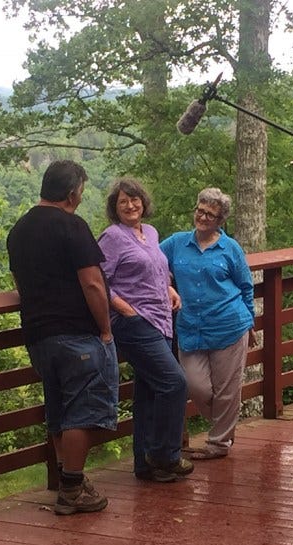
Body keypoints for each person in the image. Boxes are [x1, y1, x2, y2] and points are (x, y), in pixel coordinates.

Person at [6, 160, 119, 516]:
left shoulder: (19, 230)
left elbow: (19, 284)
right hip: (76, 334)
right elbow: (92, 283)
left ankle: (70, 478)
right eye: (81, 192)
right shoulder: (72, 226)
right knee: (83, 414)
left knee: (59, 410)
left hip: (39, 336)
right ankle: (71, 488)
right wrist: (104, 328)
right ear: (72, 194)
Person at [97, 178, 192, 483]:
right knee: (174, 383)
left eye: (134, 199)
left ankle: (145, 464)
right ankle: (166, 455)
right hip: (134, 323)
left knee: (150, 392)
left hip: (161, 318)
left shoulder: (150, 232)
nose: (130, 205)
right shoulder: (111, 237)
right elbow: (100, 282)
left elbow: (155, 269)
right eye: (123, 201)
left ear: (143, 202)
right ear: (115, 207)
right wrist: (124, 309)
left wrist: (169, 288)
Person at [160, 188, 256, 460]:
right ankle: (226, 424)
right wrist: (166, 284)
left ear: (220, 220)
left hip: (230, 324)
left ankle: (219, 443)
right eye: (199, 211)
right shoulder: (177, 243)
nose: (202, 217)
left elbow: (245, 286)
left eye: (210, 215)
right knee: (195, 385)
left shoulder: (231, 248)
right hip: (191, 326)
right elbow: (150, 262)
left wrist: (251, 322)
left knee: (227, 389)